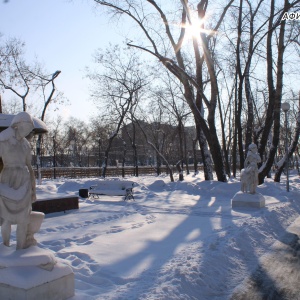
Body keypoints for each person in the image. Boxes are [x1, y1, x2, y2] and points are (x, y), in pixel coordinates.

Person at [0, 112, 36, 250]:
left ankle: (20, 250)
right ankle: (5, 247)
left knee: (23, 220)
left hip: (24, 182)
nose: (27, 132)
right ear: (17, 125)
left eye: (29, 130)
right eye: (25, 128)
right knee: (6, 218)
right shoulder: (3, 140)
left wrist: (33, 188)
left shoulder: (26, 145)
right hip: (8, 180)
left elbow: (29, 167)